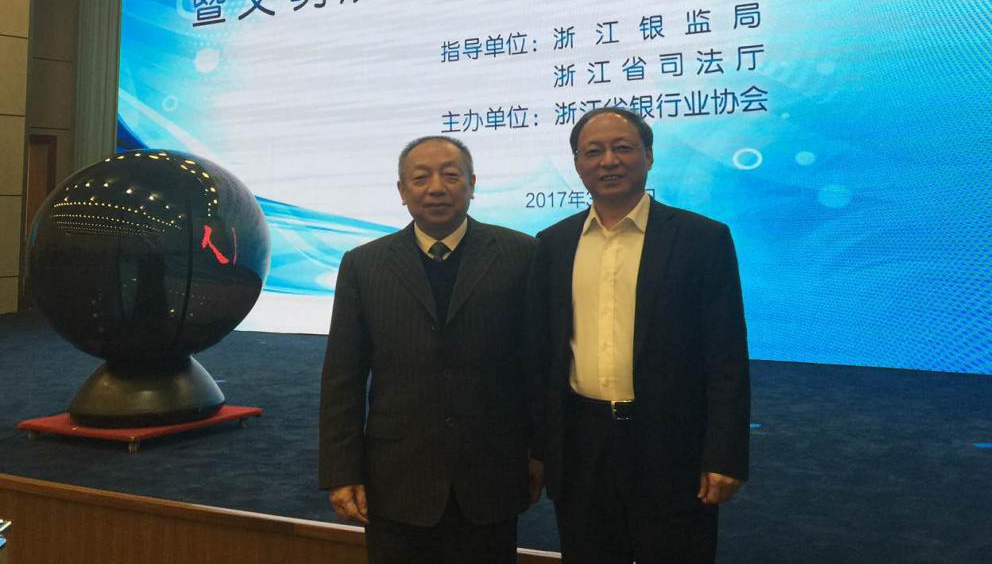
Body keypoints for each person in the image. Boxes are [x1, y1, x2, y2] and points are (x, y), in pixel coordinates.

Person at [528, 107, 750, 563]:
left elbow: (726, 357)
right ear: (577, 164)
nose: (608, 161)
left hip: (672, 442)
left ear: (648, 156)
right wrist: (538, 449)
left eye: (623, 148)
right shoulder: (552, 244)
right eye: (593, 151)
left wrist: (725, 455)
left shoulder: (701, 238)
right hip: (582, 444)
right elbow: (541, 355)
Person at [319, 135, 541, 564]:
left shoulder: (521, 254)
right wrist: (341, 470)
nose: (436, 188)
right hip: (397, 475)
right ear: (402, 191)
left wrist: (541, 452)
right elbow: (342, 376)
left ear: (472, 184)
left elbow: (536, 363)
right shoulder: (364, 264)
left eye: (451, 175)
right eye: (420, 178)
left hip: (491, 471)